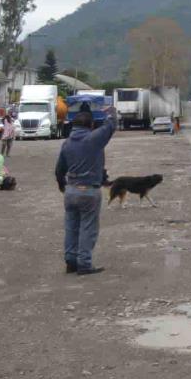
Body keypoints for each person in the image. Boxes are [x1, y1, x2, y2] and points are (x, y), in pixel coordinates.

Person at [55, 103, 117, 275]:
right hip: (89, 190)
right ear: (90, 125)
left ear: (73, 125)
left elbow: (59, 169)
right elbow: (111, 126)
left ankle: (70, 262)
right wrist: (111, 112)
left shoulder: (66, 144)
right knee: (87, 229)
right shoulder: (94, 139)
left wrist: (62, 185)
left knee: (71, 227)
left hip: (71, 190)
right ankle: (84, 264)